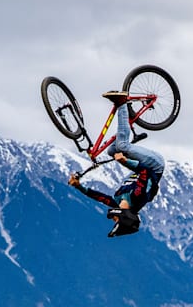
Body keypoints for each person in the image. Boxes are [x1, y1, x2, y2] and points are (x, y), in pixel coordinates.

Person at [68, 91, 166, 237]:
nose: (113, 219)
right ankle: (122, 102)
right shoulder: (139, 197)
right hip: (155, 165)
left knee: (111, 151)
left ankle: (128, 120)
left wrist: (78, 186)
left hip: (140, 164)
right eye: (116, 221)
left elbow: (98, 197)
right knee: (123, 147)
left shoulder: (116, 202)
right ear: (125, 216)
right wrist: (125, 161)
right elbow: (146, 172)